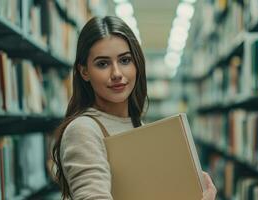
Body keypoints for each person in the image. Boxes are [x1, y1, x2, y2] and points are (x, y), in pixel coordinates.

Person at [52, 16, 217, 200]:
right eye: (103, 64)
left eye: (125, 60)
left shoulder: (137, 125)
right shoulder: (83, 130)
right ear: (84, 71)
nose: (116, 73)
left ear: (137, 64)